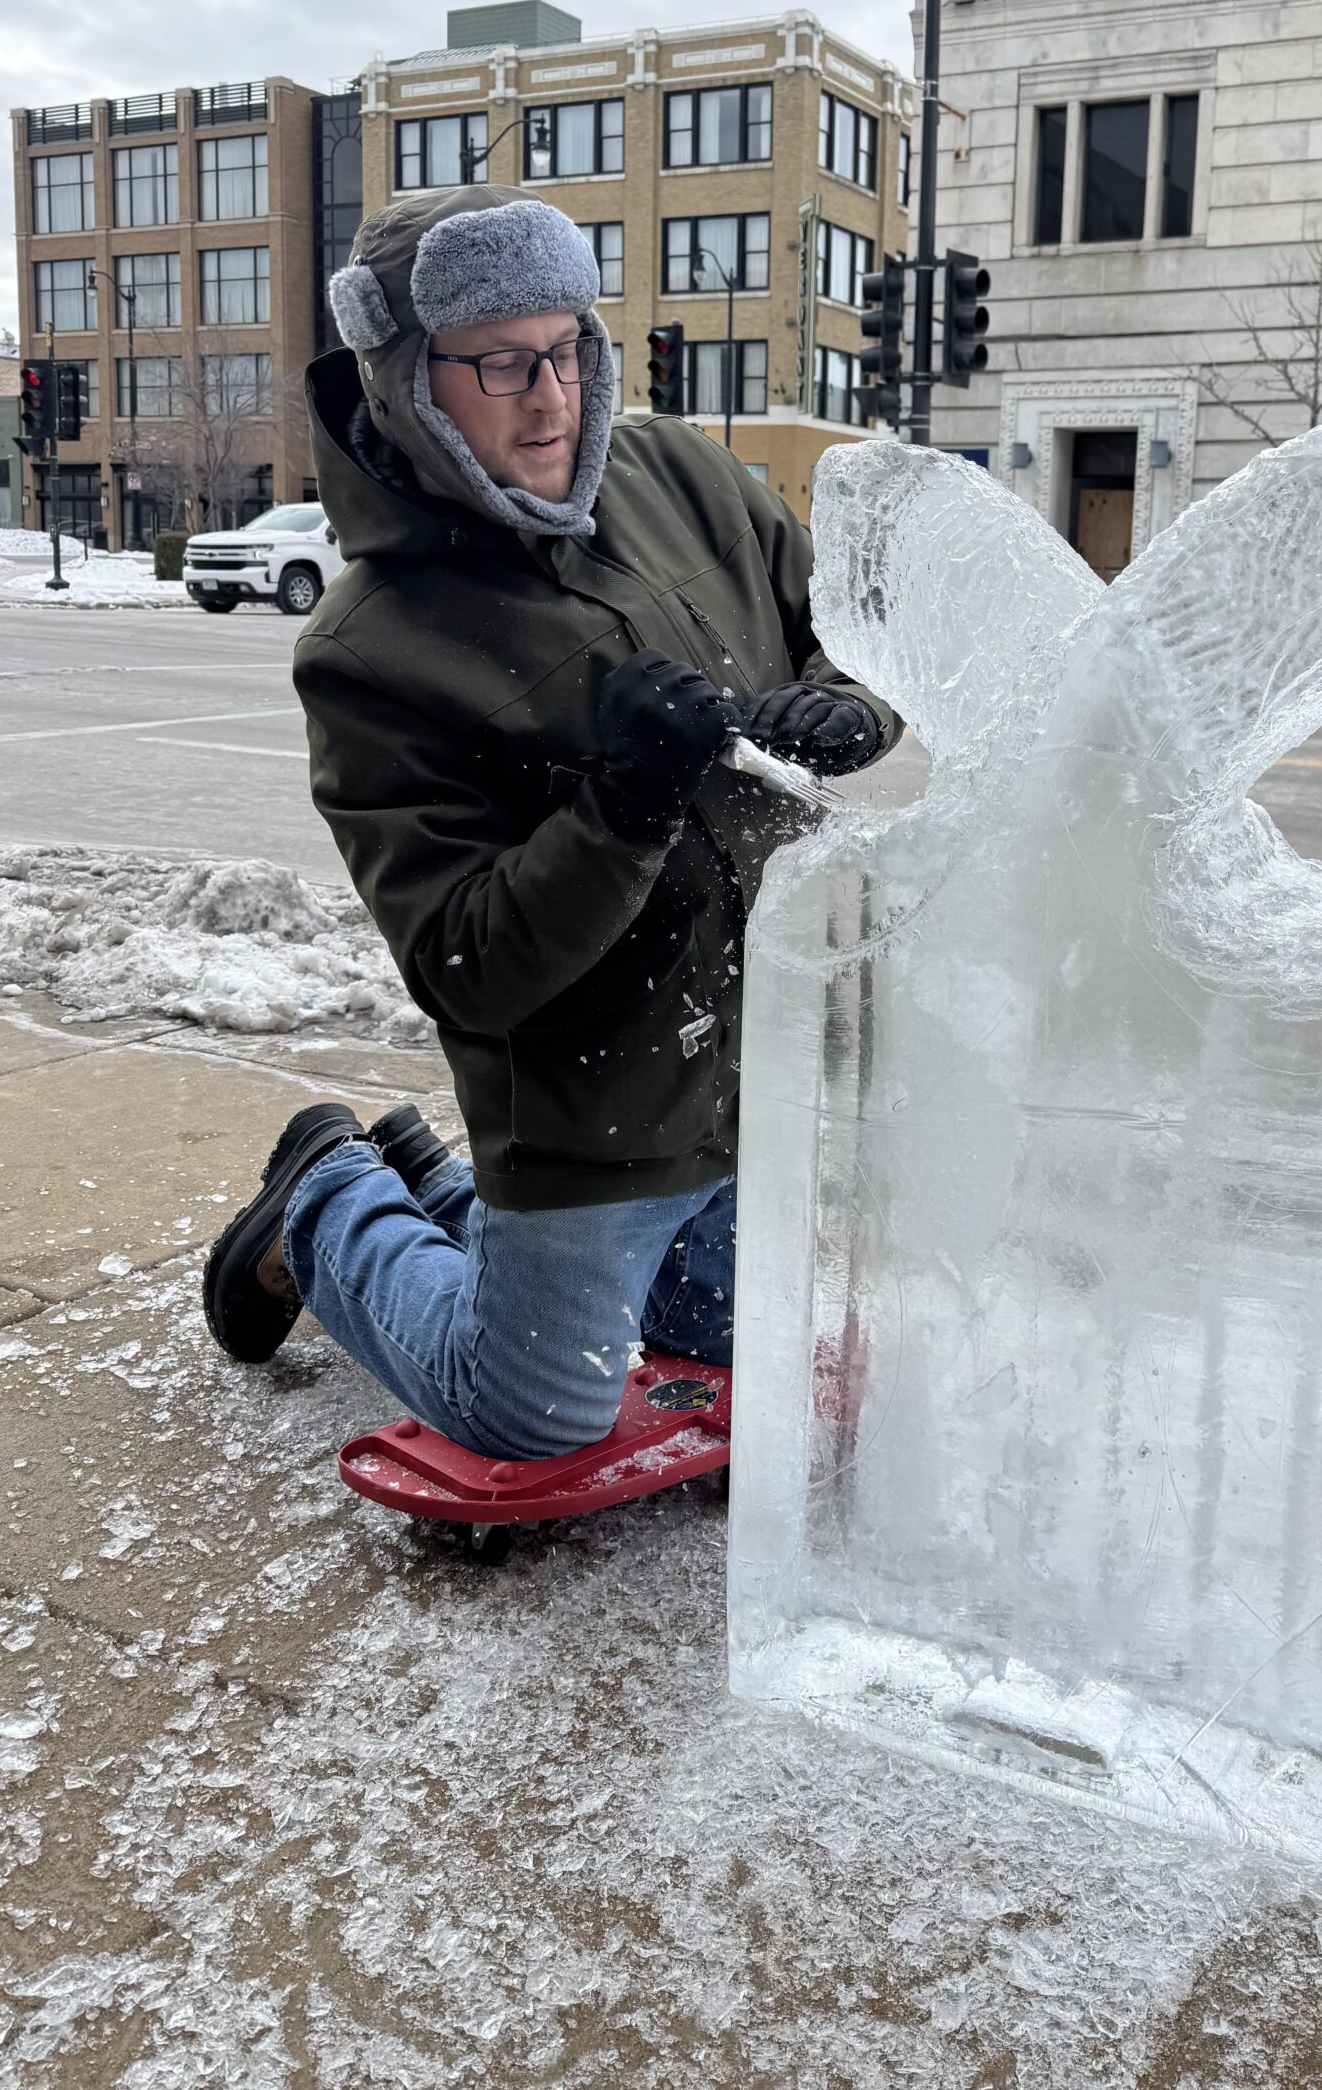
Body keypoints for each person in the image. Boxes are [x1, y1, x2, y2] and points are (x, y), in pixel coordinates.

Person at [202, 187, 898, 1458]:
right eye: (501, 362)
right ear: (407, 375)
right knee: (533, 1412)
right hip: (588, 1114)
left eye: (569, 345)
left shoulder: (684, 475)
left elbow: (855, 631)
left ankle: (429, 1189)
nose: (552, 396)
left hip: (748, 1075)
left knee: (736, 1340)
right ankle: (330, 1197)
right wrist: (621, 805)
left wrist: (854, 706)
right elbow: (468, 967)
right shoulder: (370, 648)